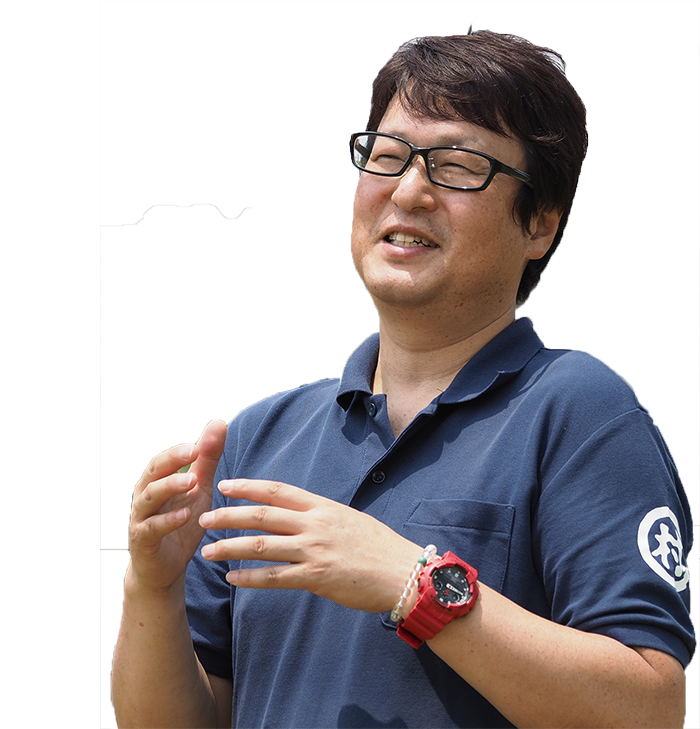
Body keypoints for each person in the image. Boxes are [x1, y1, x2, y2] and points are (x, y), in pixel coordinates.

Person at [111, 19, 695, 729]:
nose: (409, 190)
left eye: (457, 165)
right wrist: (153, 584)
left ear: (540, 224)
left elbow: (648, 706)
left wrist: (410, 582)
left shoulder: (579, 411)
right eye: (387, 157)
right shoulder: (260, 440)